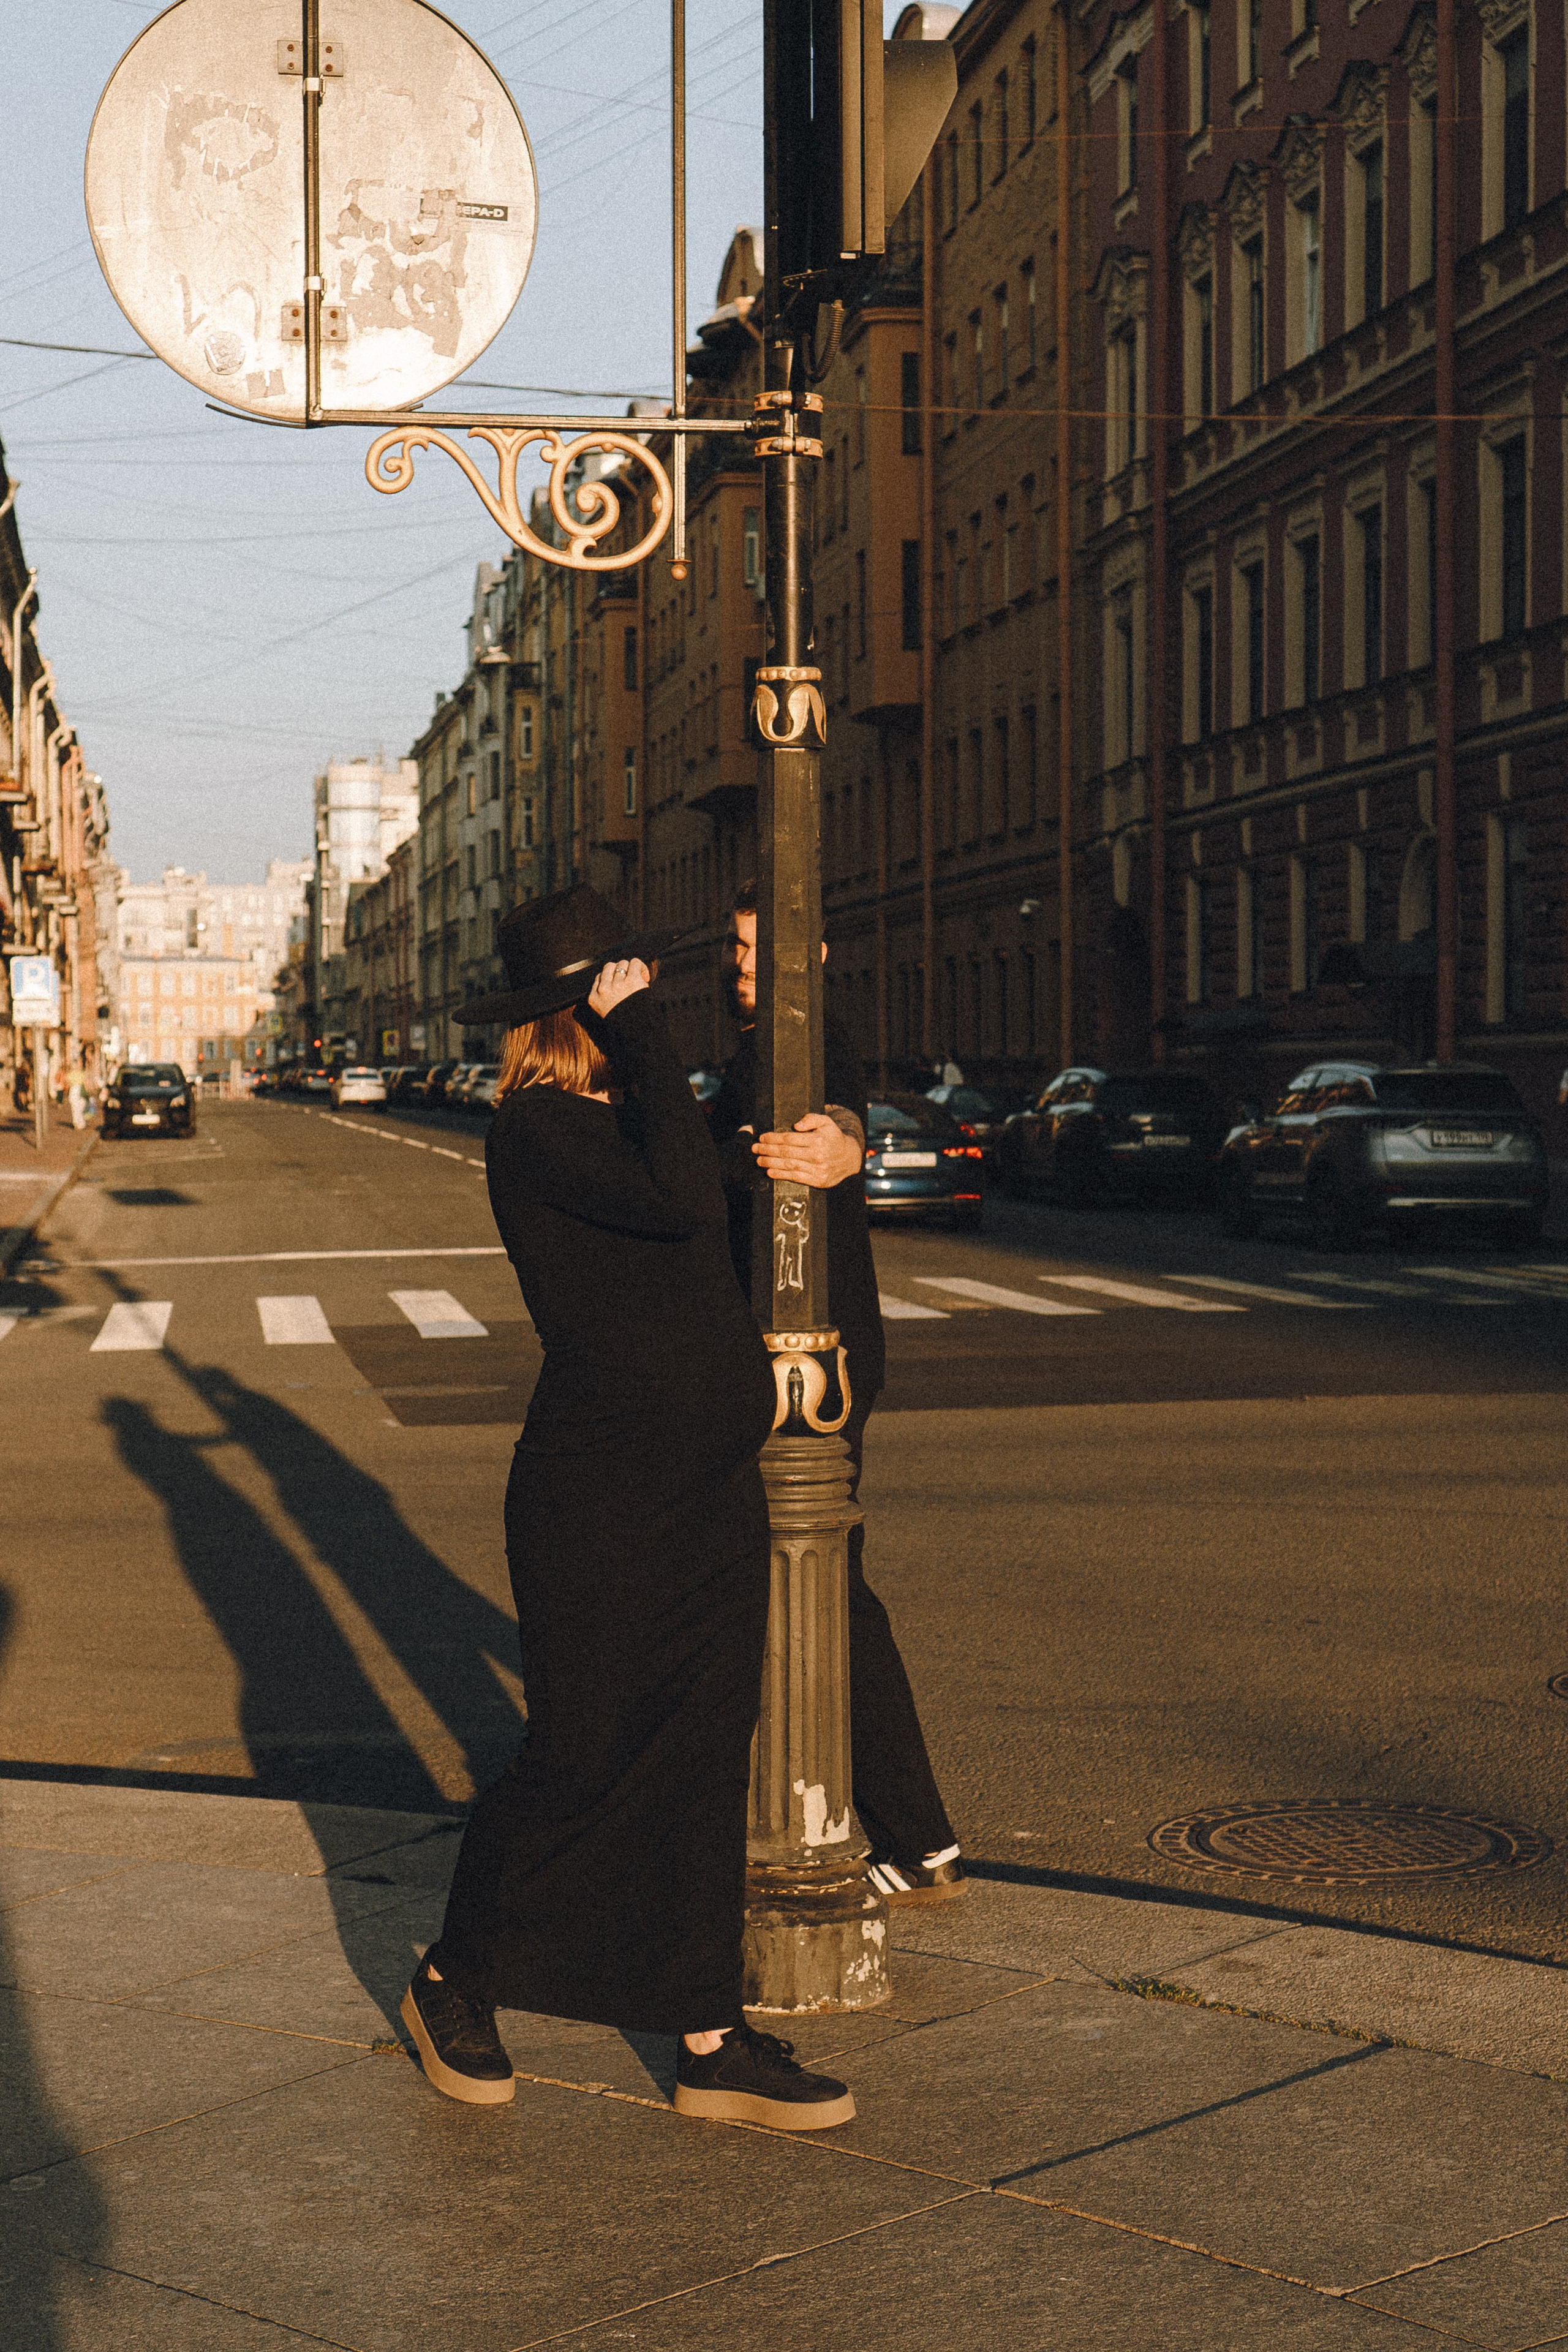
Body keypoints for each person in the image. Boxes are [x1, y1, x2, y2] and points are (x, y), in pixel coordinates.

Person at [401, 886, 855, 2131]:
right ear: (588, 1006)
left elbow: (747, 1168)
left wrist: (842, 1139)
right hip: (595, 1496)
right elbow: (682, 1201)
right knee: (581, 1750)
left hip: (706, 1485)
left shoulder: (640, 1112)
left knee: (702, 1754)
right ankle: (455, 1975)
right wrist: (650, 1038)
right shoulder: (536, 1126)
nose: (654, 1005)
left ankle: (707, 2034)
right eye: (630, 989)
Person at [708, 883, 962, 1903]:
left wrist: (848, 1142)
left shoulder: (806, 1045)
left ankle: (916, 1837)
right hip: (789, 1359)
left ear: (808, 961)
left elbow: (839, 1105)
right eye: (733, 948)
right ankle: (865, 1819)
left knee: (829, 1592)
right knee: (795, 1584)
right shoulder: (756, 1050)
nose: (738, 968)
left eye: (757, 952)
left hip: (811, 1367)